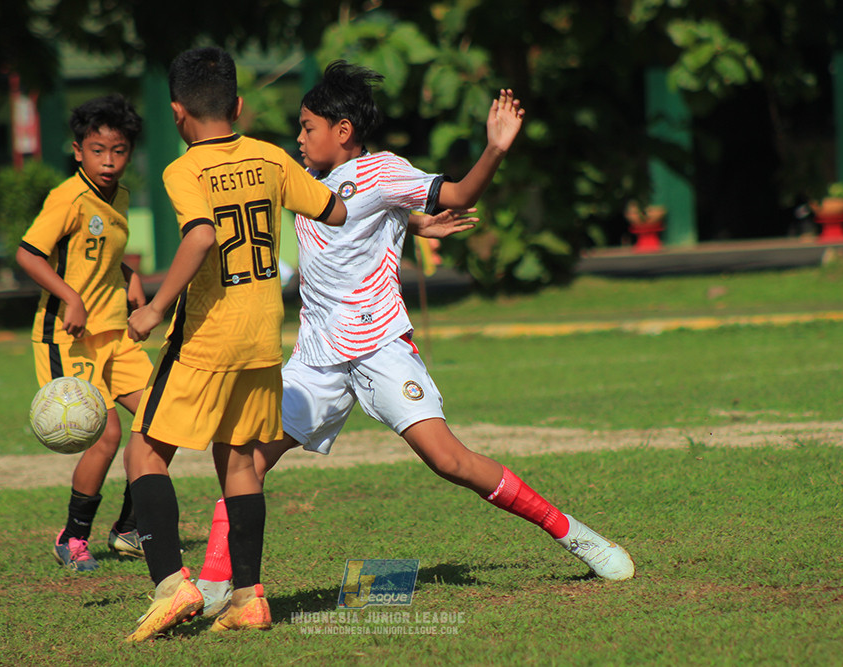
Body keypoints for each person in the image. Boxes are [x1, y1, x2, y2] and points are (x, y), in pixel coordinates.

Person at [195, 61, 635, 615]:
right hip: (316, 359)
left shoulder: (383, 171)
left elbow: (457, 194)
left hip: (380, 348)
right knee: (246, 461)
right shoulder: (302, 179)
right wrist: (411, 223)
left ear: (343, 130)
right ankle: (215, 585)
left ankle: (576, 535)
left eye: (308, 127)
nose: (299, 138)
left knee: (450, 461)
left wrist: (494, 149)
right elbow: (355, 222)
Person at [121, 46, 347, 642]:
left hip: (207, 335)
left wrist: (154, 308)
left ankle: (171, 585)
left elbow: (200, 237)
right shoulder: (271, 157)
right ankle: (248, 597)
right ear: (239, 105)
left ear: (177, 112)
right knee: (239, 458)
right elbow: (335, 210)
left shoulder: (184, 170)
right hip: (262, 335)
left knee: (143, 453)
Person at [16, 94, 151, 572]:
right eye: (98, 151)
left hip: (116, 332)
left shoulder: (121, 197)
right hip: (69, 336)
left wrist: (129, 275)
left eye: (118, 150)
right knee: (105, 434)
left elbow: (100, 256)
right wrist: (71, 297)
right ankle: (72, 538)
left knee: (162, 419)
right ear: (78, 151)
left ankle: (129, 528)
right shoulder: (68, 198)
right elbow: (29, 254)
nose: (108, 161)